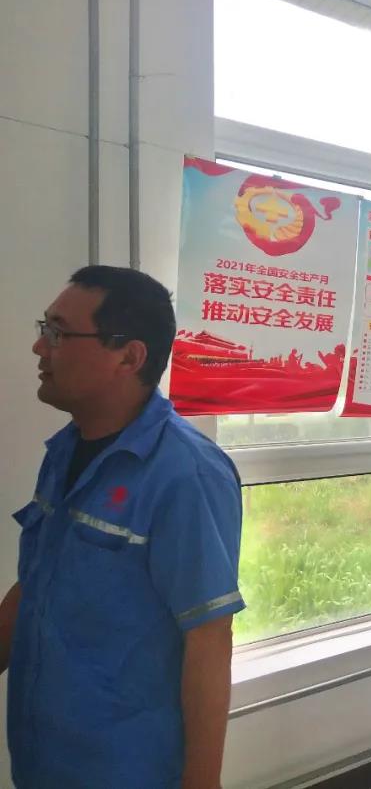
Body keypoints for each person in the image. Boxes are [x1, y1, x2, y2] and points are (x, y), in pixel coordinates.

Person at [0, 266, 244, 788]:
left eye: (59, 334)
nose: (41, 348)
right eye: (45, 329)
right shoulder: (66, 450)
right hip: (42, 755)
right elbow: (36, 581)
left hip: (125, 767)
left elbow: (209, 638)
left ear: (129, 357)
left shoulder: (185, 473)